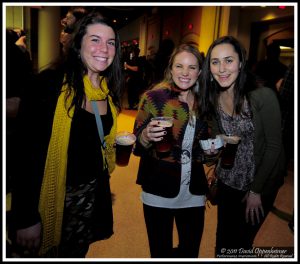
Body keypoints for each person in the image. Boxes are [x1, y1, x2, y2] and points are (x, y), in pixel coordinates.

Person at [9, 12, 123, 258]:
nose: (104, 48)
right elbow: (23, 155)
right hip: (50, 202)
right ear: (78, 43)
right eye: (95, 40)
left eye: (111, 42)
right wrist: (25, 217)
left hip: (88, 203)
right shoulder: (47, 85)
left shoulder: (108, 93)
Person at [199, 36, 285, 257]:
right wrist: (214, 149)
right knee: (223, 243)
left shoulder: (263, 96)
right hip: (228, 180)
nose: (222, 69)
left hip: (260, 182)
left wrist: (256, 190)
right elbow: (220, 136)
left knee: (242, 244)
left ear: (241, 62)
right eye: (215, 62)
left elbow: (274, 147)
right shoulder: (215, 97)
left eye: (228, 60)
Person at [133, 44, 210, 258]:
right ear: (171, 68)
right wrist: (146, 136)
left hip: (193, 191)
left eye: (192, 67)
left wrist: (213, 150)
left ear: (200, 72)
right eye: (179, 66)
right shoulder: (153, 97)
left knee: (190, 252)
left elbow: (205, 148)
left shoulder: (206, 101)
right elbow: (136, 147)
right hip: (158, 188)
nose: (185, 73)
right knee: (160, 252)